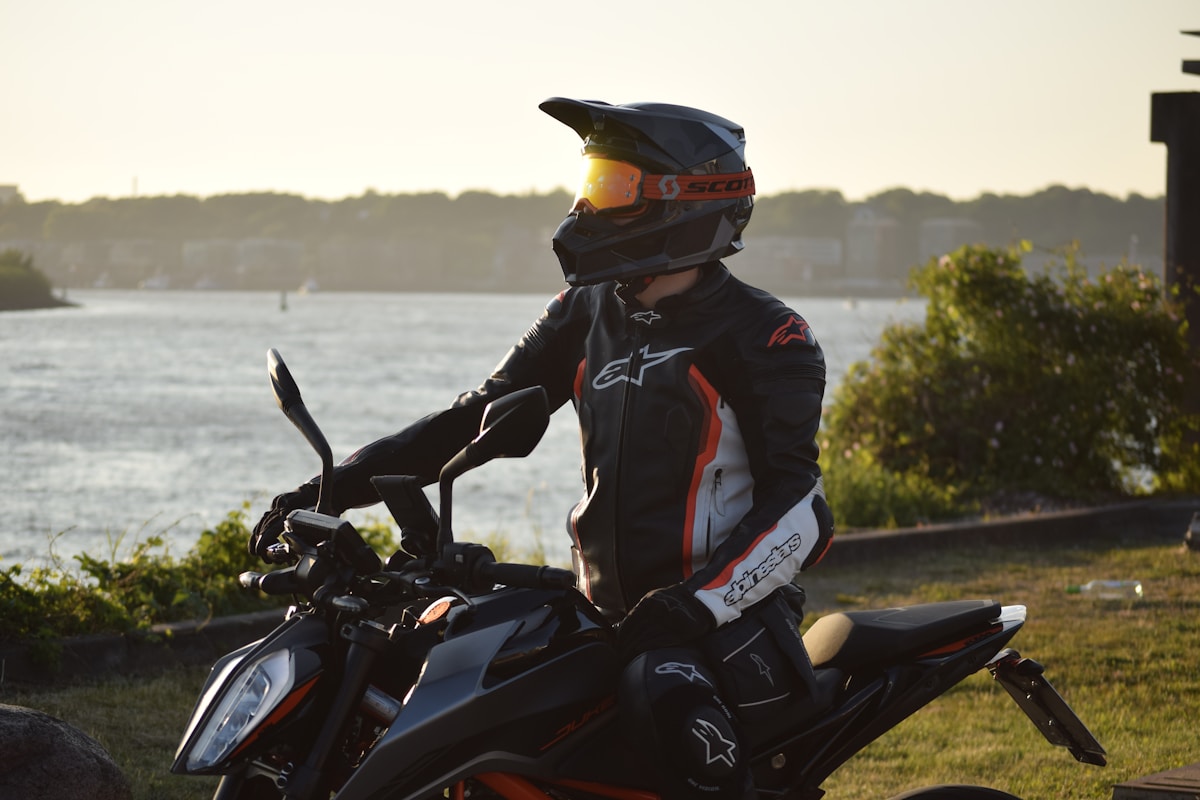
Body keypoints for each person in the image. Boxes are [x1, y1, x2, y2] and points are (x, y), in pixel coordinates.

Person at [251, 97, 834, 800]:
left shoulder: (767, 334)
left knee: (664, 700)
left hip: (724, 620)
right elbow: (471, 419)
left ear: (684, 197)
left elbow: (801, 507)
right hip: (599, 614)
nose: (588, 206)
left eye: (613, 186)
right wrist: (333, 490)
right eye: (593, 182)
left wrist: (694, 604)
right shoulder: (583, 312)